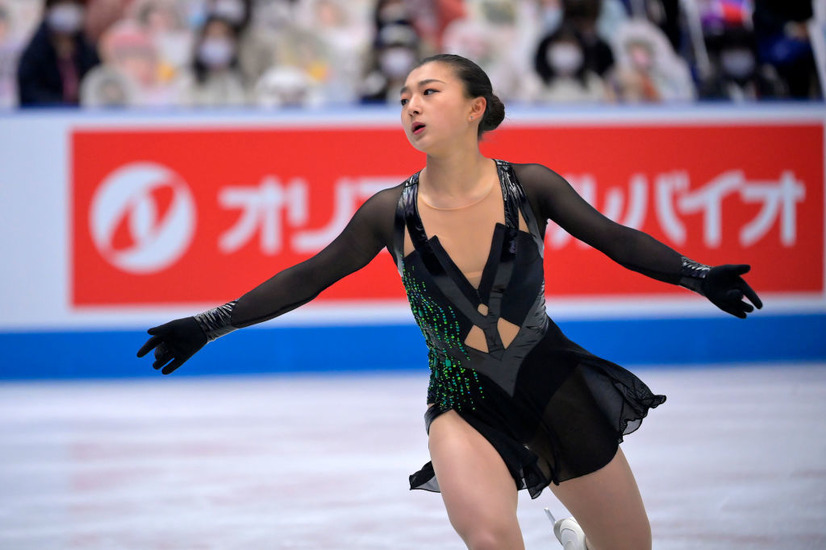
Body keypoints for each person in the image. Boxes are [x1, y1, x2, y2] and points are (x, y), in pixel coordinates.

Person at [137, 54, 762, 550]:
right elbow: (310, 275)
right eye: (404, 96)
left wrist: (698, 275)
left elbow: (612, 237)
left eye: (429, 91)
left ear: (475, 108)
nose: (411, 104)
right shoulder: (390, 212)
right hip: (461, 402)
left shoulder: (531, 185)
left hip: (554, 383)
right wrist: (210, 324)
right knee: (491, 539)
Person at [16, 0, 100, 107]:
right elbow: (28, 91)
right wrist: (61, 104)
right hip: (47, 116)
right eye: (62, 6)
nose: (67, 12)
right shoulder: (35, 52)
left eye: (71, 6)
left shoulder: (87, 49)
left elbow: (97, 80)